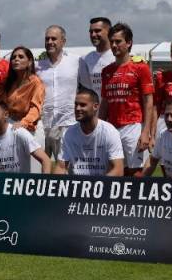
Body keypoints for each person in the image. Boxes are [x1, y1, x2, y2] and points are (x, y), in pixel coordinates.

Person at [99, 23, 154, 176]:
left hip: (133, 126)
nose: (114, 45)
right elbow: (105, 102)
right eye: (112, 42)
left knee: (135, 172)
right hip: (111, 127)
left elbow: (148, 101)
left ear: (129, 42)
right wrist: (98, 126)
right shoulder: (106, 71)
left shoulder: (140, 68)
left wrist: (146, 132)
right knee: (114, 169)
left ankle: (136, 200)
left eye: (118, 41)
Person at [55, 88, 124, 176]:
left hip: (102, 185)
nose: (77, 108)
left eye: (82, 105)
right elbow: (61, 167)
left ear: (95, 106)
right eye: (76, 104)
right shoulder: (69, 133)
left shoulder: (110, 132)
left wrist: (95, 185)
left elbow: (118, 170)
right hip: (77, 185)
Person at [36, 25, 79, 160]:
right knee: (41, 167)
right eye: (47, 39)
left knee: (66, 166)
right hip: (43, 124)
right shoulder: (37, 66)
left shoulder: (76, 62)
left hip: (68, 122)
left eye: (54, 38)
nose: (49, 42)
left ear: (63, 41)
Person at [78, 16, 115, 100]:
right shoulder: (85, 59)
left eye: (97, 31)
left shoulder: (118, 57)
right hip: (96, 111)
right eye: (91, 32)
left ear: (109, 32)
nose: (93, 35)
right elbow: (87, 89)